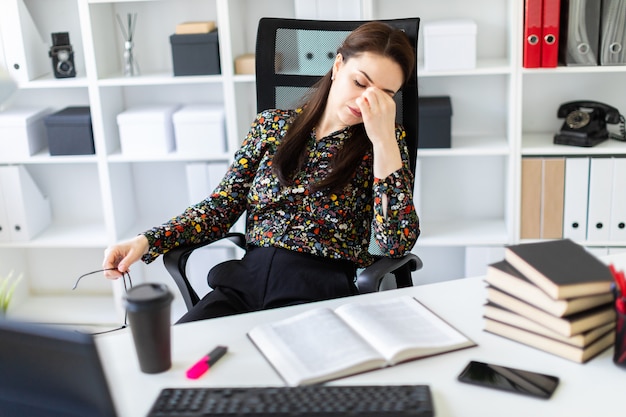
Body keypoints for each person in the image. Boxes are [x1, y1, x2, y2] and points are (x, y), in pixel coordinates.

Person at [102, 21, 420, 323]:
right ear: (338, 67)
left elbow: (395, 244)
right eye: (360, 82)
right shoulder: (271, 126)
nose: (365, 101)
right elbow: (219, 208)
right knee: (186, 359)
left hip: (316, 292)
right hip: (245, 283)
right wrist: (146, 241)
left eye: (383, 95)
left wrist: (383, 141)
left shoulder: (385, 147)